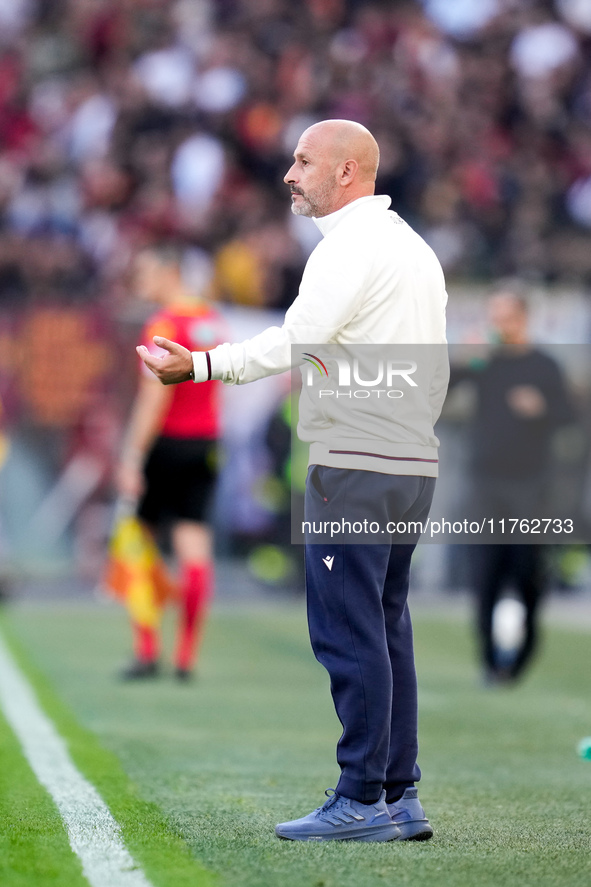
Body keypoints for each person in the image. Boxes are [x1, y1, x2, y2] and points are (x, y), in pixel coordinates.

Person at [137, 120, 448, 841]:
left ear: (347, 173)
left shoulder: (350, 247)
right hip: (409, 463)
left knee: (347, 633)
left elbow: (292, 339)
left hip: (355, 463)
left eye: (304, 161)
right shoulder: (412, 248)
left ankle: (362, 796)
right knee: (383, 627)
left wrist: (201, 365)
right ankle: (398, 795)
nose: (289, 173)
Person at [451, 286, 576, 684]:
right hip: (486, 483)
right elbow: (440, 389)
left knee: (527, 572)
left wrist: (541, 409)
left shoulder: (544, 366)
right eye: (494, 317)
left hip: (529, 486)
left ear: (522, 319)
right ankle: (490, 662)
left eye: (505, 317)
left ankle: (521, 654)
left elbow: (568, 416)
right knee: (485, 571)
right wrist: (466, 358)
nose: (498, 325)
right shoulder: (485, 364)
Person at [116, 243, 224, 681]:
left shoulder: (163, 325)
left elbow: (153, 398)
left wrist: (132, 455)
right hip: (205, 443)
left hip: (165, 444)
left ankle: (147, 649)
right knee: (193, 542)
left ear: (169, 273)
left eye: (145, 273)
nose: (140, 282)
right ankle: (186, 657)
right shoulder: (211, 321)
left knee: (138, 542)